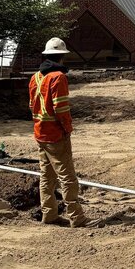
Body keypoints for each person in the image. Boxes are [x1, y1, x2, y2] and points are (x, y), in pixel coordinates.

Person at [29, 38, 86, 228]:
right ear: (62, 57)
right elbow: (61, 108)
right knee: (67, 177)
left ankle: (49, 214)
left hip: (40, 133)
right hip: (55, 135)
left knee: (47, 177)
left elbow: (31, 106)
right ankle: (77, 217)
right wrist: (67, 129)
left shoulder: (35, 77)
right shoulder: (58, 77)